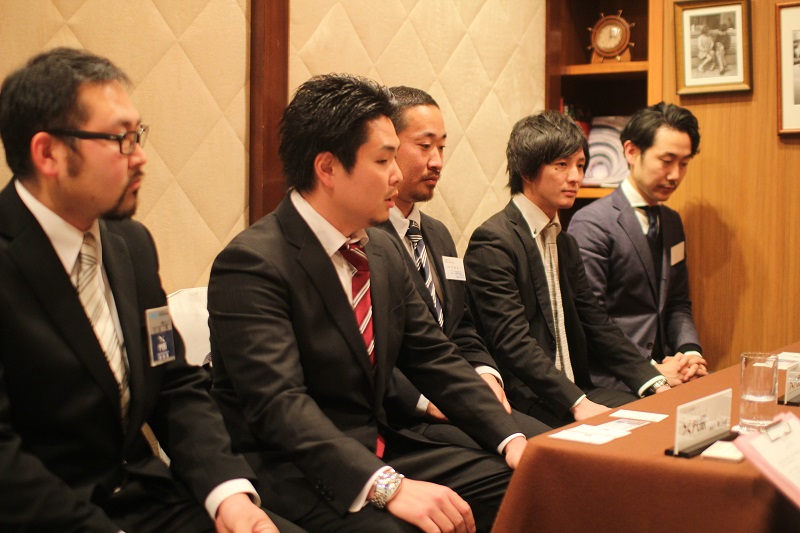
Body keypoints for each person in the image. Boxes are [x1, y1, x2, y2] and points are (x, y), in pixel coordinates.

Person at [208, 74, 527, 533]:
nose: (396, 174)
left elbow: (434, 357)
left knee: (522, 481)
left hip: (380, 448)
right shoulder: (253, 263)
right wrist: (388, 487)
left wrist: (509, 437)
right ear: (327, 168)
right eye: (382, 159)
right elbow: (281, 407)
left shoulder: (379, 250)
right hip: (295, 469)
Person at [0, 47, 298, 532]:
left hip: (151, 498)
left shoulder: (129, 243)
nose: (139, 158)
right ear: (48, 153)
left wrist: (229, 495)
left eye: (137, 135)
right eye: (119, 139)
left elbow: (173, 381)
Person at [464, 111, 669, 429]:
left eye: (580, 165)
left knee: (661, 418)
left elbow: (597, 324)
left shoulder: (565, 242)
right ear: (527, 170)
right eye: (561, 165)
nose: (575, 177)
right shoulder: (494, 241)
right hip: (528, 400)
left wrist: (655, 382)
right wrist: (578, 403)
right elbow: (512, 341)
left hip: (576, 391)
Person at [376, 86, 550, 444]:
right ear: (389, 147)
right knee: (534, 460)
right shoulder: (366, 238)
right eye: (425, 146)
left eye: (441, 147)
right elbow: (370, 349)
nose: (437, 161)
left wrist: (486, 374)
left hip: (463, 396)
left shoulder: (437, 234)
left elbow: (461, 326)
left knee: (556, 446)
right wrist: (426, 402)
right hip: (404, 415)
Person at [569, 103, 708, 392]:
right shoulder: (592, 223)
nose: (675, 175)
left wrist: (690, 353)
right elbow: (591, 319)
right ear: (631, 152)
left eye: (684, 163)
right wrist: (649, 370)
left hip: (668, 368)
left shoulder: (672, 221)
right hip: (615, 378)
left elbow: (677, 302)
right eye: (666, 161)